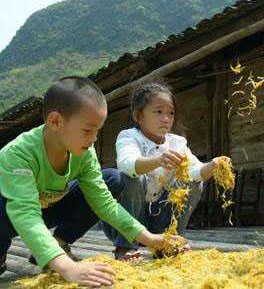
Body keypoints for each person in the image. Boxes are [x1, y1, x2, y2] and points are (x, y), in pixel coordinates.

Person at [0, 77, 184, 287]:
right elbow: (25, 214)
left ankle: (59, 243)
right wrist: (68, 268)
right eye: (88, 130)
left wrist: (150, 239)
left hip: (46, 208)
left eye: (98, 130)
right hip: (9, 215)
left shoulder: (84, 152)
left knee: (112, 179)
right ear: (55, 121)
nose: (94, 138)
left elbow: (103, 202)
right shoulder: (19, 154)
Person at [102, 82, 230, 260]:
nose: (166, 118)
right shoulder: (129, 136)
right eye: (158, 111)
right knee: (131, 178)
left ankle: (169, 242)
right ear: (139, 115)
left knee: (193, 184)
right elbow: (127, 164)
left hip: (160, 217)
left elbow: (195, 171)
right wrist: (158, 160)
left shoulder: (177, 142)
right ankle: (125, 246)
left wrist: (214, 165)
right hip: (129, 219)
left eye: (171, 113)